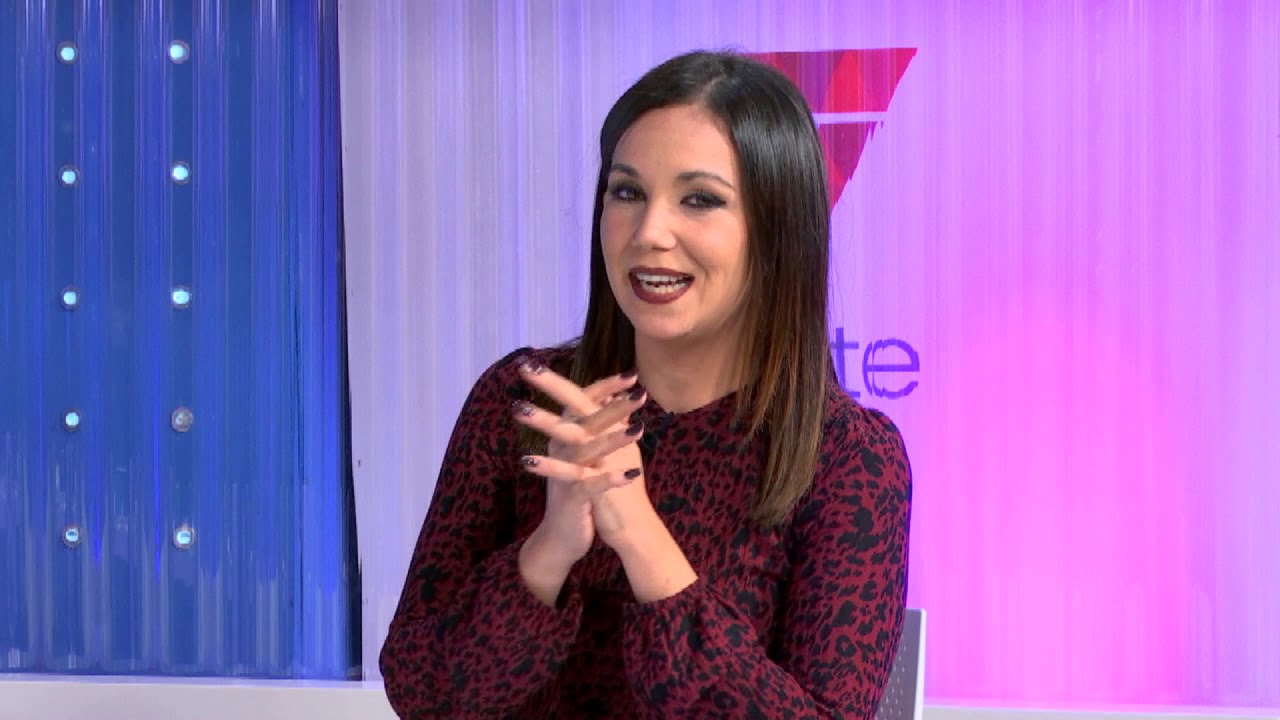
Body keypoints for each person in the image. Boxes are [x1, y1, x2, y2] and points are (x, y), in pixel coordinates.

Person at [379, 49, 913, 719]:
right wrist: (549, 549)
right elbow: (420, 692)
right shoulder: (523, 402)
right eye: (627, 192)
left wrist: (640, 537)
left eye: (700, 200)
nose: (649, 232)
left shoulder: (847, 457)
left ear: (776, 228)